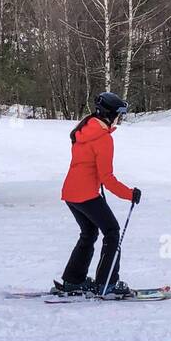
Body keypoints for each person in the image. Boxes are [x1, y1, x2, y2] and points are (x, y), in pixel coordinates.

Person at [56, 92, 142, 297]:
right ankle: (107, 284)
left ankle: (73, 280)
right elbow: (107, 178)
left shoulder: (83, 130)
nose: (120, 118)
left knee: (89, 233)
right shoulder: (103, 138)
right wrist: (129, 194)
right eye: (119, 114)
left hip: (70, 193)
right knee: (111, 231)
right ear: (110, 114)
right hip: (85, 194)